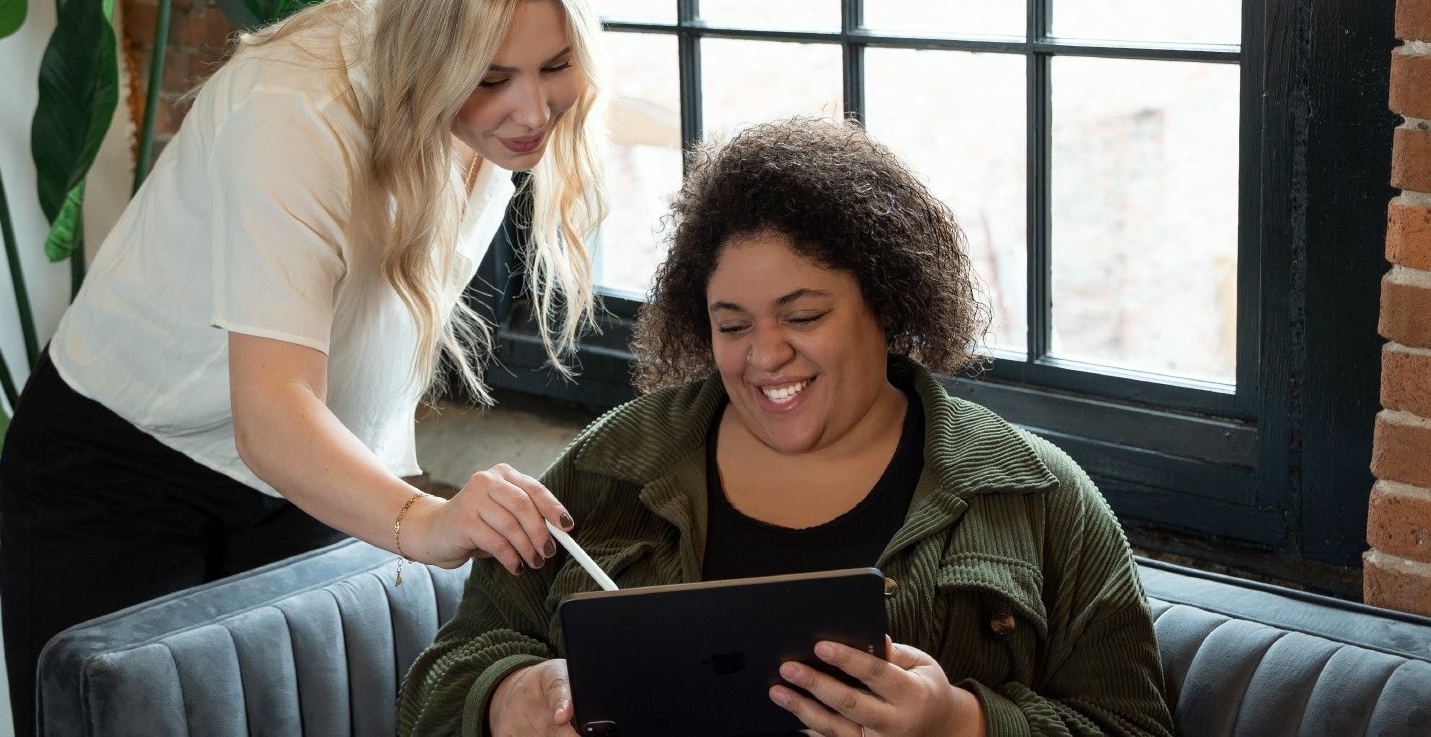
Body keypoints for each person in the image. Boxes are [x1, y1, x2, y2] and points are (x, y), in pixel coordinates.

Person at [0, 0, 608, 737]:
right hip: (119, 473)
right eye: (493, 78)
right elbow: (273, 415)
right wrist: (429, 521)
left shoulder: (497, 120)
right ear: (427, 56)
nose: (533, 111)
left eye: (555, 67)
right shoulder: (295, 108)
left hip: (306, 479)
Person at [396, 117, 1174, 737]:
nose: (765, 356)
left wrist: (960, 725)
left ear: (888, 303)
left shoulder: (1036, 499)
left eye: (803, 316)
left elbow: (1132, 724)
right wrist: (508, 701)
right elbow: (440, 683)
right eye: (731, 326)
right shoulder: (612, 467)